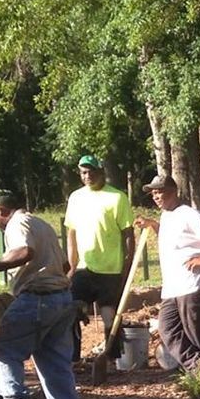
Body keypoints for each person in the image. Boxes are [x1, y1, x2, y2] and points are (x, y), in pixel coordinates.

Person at [0, 188, 80, 399]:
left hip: (38, 297)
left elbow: (23, 251)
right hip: (60, 298)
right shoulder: (41, 224)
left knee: (2, 349)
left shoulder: (18, 223)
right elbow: (63, 265)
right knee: (53, 360)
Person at [138, 173, 200, 372]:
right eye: (153, 193)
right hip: (173, 287)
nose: (156, 197)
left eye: (160, 192)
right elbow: (173, 237)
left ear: (173, 192)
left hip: (193, 284)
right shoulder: (167, 216)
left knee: (194, 333)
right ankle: (197, 364)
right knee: (167, 328)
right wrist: (153, 225)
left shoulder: (187, 213)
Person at [63, 154, 134, 360]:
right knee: (72, 311)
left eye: (92, 171)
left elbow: (127, 233)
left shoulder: (117, 197)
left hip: (110, 268)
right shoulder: (76, 198)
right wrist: (72, 265)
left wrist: (127, 265)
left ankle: (112, 358)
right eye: (84, 172)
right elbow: (71, 233)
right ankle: (73, 358)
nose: (88, 176)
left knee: (109, 314)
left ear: (101, 172)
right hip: (84, 267)